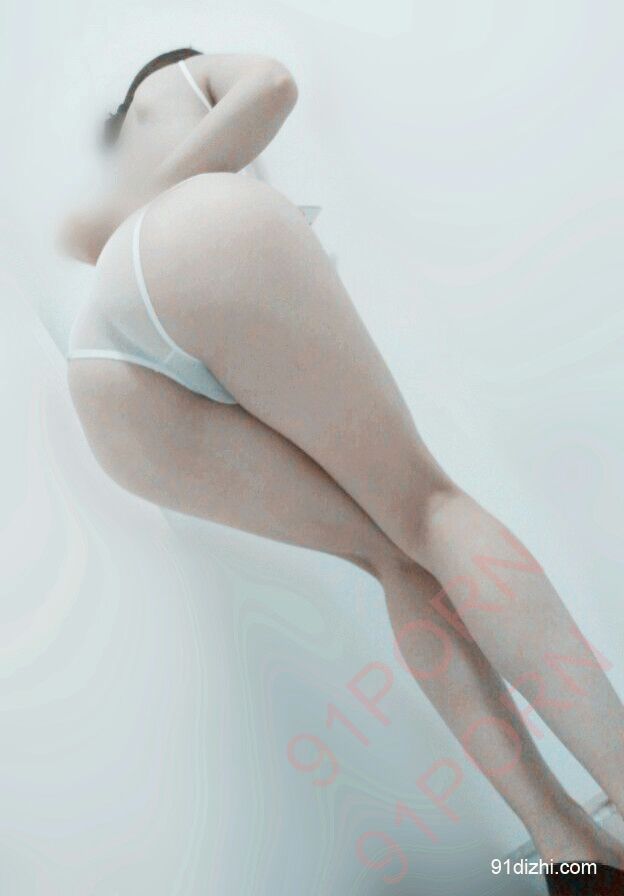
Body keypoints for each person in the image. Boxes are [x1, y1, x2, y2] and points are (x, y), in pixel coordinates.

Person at [59, 48, 624, 894]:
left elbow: (88, 243)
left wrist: (142, 213)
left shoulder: (110, 186)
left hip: (107, 378)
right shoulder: (179, 78)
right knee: (430, 509)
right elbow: (273, 85)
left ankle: (569, 850)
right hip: (197, 244)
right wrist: (190, 193)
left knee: (392, 554)